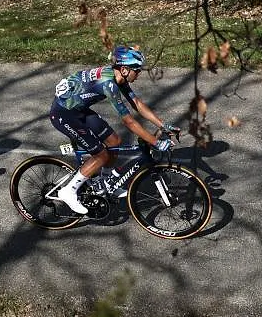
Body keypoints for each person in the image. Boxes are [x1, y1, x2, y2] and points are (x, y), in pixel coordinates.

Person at [48, 44, 178, 214]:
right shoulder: (109, 84)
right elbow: (129, 122)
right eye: (136, 70)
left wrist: (162, 125)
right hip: (64, 115)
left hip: (76, 109)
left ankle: (106, 182)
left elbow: (137, 104)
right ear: (124, 69)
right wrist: (155, 142)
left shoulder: (118, 77)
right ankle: (69, 191)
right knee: (101, 154)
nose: (138, 74)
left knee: (114, 141)